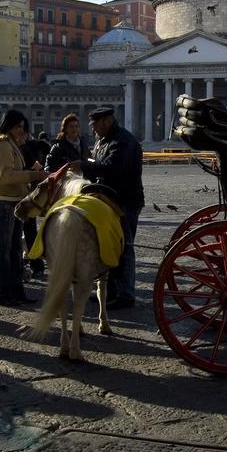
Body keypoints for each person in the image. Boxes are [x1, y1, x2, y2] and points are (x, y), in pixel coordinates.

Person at [74, 106, 143, 310]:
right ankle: (110, 289)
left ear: (106, 121)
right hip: (109, 200)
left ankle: (126, 293)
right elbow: (98, 165)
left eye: (95, 124)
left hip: (125, 201)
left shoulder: (123, 141)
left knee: (125, 247)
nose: (93, 129)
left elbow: (113, 169)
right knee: (108, 244)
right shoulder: (104, 141)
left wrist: (84, 166)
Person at [0, 109, 45, 307]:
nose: (21, 131)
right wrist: (33, 175)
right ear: (8, 126)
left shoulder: (10, 144)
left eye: (22, 128)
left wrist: (23, 146)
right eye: (17, 127)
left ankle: (16, 291)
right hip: (5, 201)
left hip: (14, 199)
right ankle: (2, 293)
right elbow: (7, 176)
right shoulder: (0, 145)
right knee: (3, 249)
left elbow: (17, 169)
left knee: (15, 249)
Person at [19, 129, 52, 280]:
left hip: (21, 194)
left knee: (22, 232)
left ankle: (26, 263)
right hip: (29, 194)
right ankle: (35, 263)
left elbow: (37, 167)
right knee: (30, 231)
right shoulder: (32, 146)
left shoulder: (22, 149)